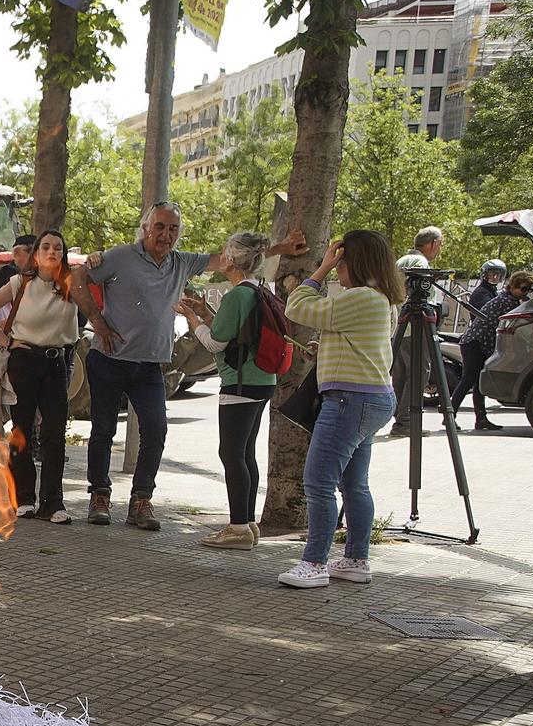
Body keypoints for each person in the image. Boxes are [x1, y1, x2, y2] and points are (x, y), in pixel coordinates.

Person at [73, 202, 300, 531]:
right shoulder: (120, 256)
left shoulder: (182, 262)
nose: (166, 234)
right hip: (109, 359)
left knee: (157, 429)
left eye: (173, 229)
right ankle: (100, 495)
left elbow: (231, 259)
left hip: (151, 365)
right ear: (146, 227)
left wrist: (279, 248)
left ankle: (141, 500)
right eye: (160, 227)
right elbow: (77, 276)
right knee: (103, 430)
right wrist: (97, 322)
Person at [275, 230, 404, 589]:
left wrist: (319, 269)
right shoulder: (382, 300)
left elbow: (297, 306)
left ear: (353, 261)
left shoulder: (362, 297)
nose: (337, 269)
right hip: (370, 398)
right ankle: (355, 559)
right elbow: (358, 343)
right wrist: (327, 349)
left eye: (340, 262)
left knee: (318, 482)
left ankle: (314, 562)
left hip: (350, 400)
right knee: (354, 484)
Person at [180, 232, 281, 549]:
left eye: (225, 251)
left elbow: (214, 342)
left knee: (232, 453)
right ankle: (248, 523)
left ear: (233, 259)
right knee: (246, 452)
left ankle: (237, 527)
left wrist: (192, 318)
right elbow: (233, 330)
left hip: (239, 382)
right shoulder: (257, 290)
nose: (220, 255)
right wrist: (208, 313)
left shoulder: (237, 295)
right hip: (262, 380)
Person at [0, 228, 77, 523]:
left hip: (56, 363)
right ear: (36, 254)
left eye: (58, 247)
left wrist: (95, 260)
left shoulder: (71, 283)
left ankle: (53, 503)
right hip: (24, 361)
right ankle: (24, 499)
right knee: (21, 431)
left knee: (54, 434)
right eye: (45, 247)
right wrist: (6, 342)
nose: (52, 252)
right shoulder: (20, 282)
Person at [447, 269, 533, 431]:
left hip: (476, 343)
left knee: (477, 383)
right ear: (513, 286)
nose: (526, 293)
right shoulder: (507, 302)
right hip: (475, 343)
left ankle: (480, 419)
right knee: (468, 380)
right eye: (523, 289)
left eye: (529, 289)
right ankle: (449, 416)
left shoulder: (506, 298)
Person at [390, 225, 444, 437]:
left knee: (401, 375)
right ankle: (405, 423)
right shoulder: (420, 264)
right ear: (433, 244)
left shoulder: (401, 261)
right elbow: (424, 303)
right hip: (416, 327)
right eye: (439, 245)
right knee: (418, 374)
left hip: (400, 327)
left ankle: (400, 420)